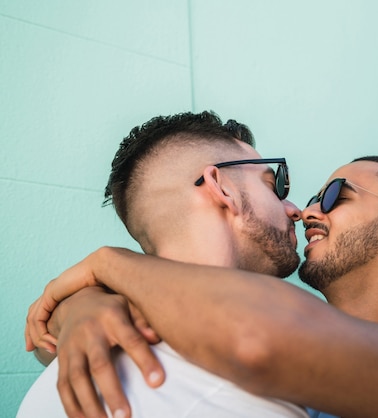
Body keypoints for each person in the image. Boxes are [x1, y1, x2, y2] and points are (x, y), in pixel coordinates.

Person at [26, 130, 378, 417]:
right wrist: (90, 302)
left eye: (332, 196)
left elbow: (263, 338)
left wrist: (113, 268)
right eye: (305, 197)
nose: (306, 212)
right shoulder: (195, 343)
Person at [18, 111, 311, 418]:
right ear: (222, 187)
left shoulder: (69, 362)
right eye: (273, 185)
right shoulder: (244, 391)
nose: (294, 209)